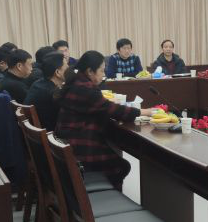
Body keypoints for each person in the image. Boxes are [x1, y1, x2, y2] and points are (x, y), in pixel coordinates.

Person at [55, 51, 157, 189]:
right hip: (78, 144)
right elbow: (111, 109)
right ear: (90, 71)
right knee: (121, 166)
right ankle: (105, 198)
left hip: (68, 138)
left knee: (118, 161)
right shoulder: (85, 88)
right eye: (102, 71)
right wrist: (144, 112)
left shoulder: (77, 81)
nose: (104, 75)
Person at [24, 51, 68, 130]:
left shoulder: (38, 83)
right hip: (50, 133)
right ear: (57, 72)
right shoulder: (52, 93)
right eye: (66, 67)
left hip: (38, 132)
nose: (69, 68)